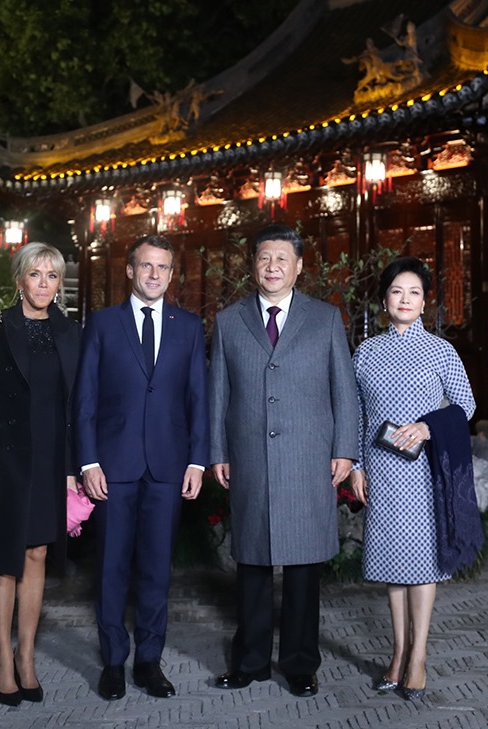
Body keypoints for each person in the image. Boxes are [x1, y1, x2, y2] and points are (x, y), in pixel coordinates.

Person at [209, 224, 360, 698]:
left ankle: (300, 663)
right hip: (250, 457)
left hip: (308, 459)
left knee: (302, 569)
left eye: (281, 259)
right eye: (263, 258)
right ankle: (250, 661)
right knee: (252, 564)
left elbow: (344, 390)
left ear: (298, 266)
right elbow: (218, 393)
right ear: (252, 266)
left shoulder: (325, 318)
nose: (272, 267)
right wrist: (217, 451)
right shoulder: (229, 321)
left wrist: (345, 449)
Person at [75, 234, 209, 701]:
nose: (155, 274)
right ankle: (113, 661)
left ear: (172, 275)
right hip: (113, 466)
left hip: (169, 466)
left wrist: (197, 460)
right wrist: (88, 460)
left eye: (163, 267)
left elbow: (198, 397)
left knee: (156, 569)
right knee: (111, 567)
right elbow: (85, 398)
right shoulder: (102, 323)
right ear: (130, 271)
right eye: (146, 266)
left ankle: (149, 661)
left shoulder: (188, 326)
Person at [349, 256, 479, 701]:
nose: (405, 300)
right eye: (396, 292)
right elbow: (357, 415)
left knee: (422, 564)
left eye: (414, 293)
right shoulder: (366, 352)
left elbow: (465, 405)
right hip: (382, 471)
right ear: (384, 300)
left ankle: (418, 656)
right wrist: (357, 467)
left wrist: (427, 426)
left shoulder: (441, 351)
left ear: (425, 303)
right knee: (393, 564)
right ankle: (398, 652)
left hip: (424, 471)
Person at [0, 242, 82, 706]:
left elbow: (74, 406)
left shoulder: (70, 331)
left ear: (59, 284)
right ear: (19, 280)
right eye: (36, 274)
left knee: (37, 554)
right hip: (3, 459)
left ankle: (26, 655)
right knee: (5, 558)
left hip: (49, 459)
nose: (44, 284)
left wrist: (71, 469)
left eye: (52, 276)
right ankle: (2, 658)